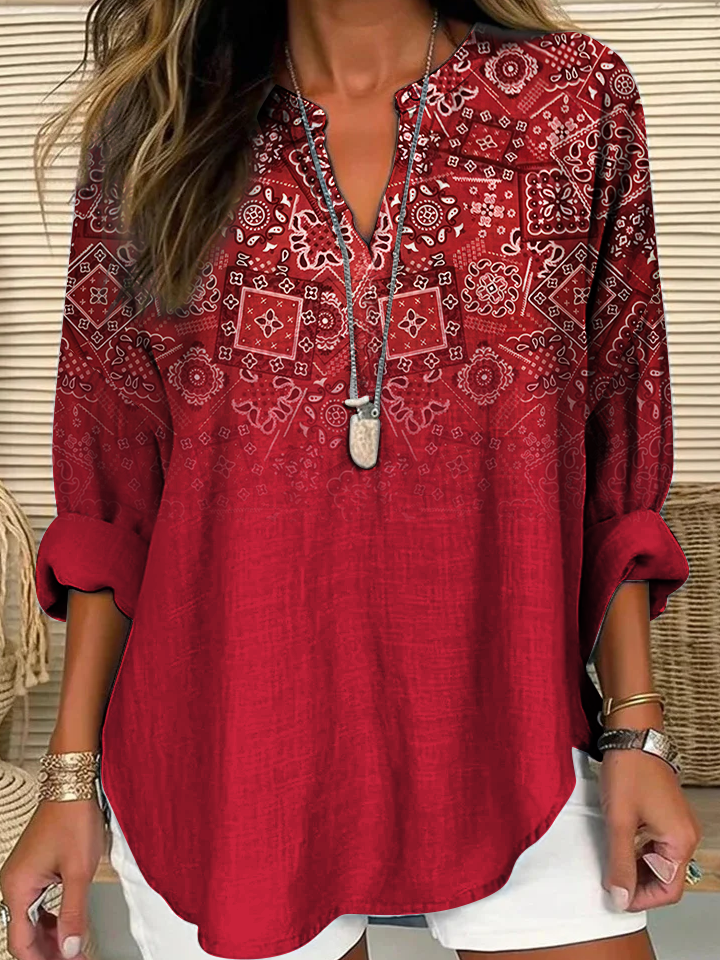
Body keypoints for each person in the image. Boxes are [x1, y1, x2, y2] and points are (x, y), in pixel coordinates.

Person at [0, 1, 704, 959]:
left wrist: (634, 732)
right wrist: (69, 779)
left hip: (513, 731)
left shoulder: (574, 104)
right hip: (232, 750)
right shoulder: (154, 133)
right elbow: (116, 493)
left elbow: (613, 439)